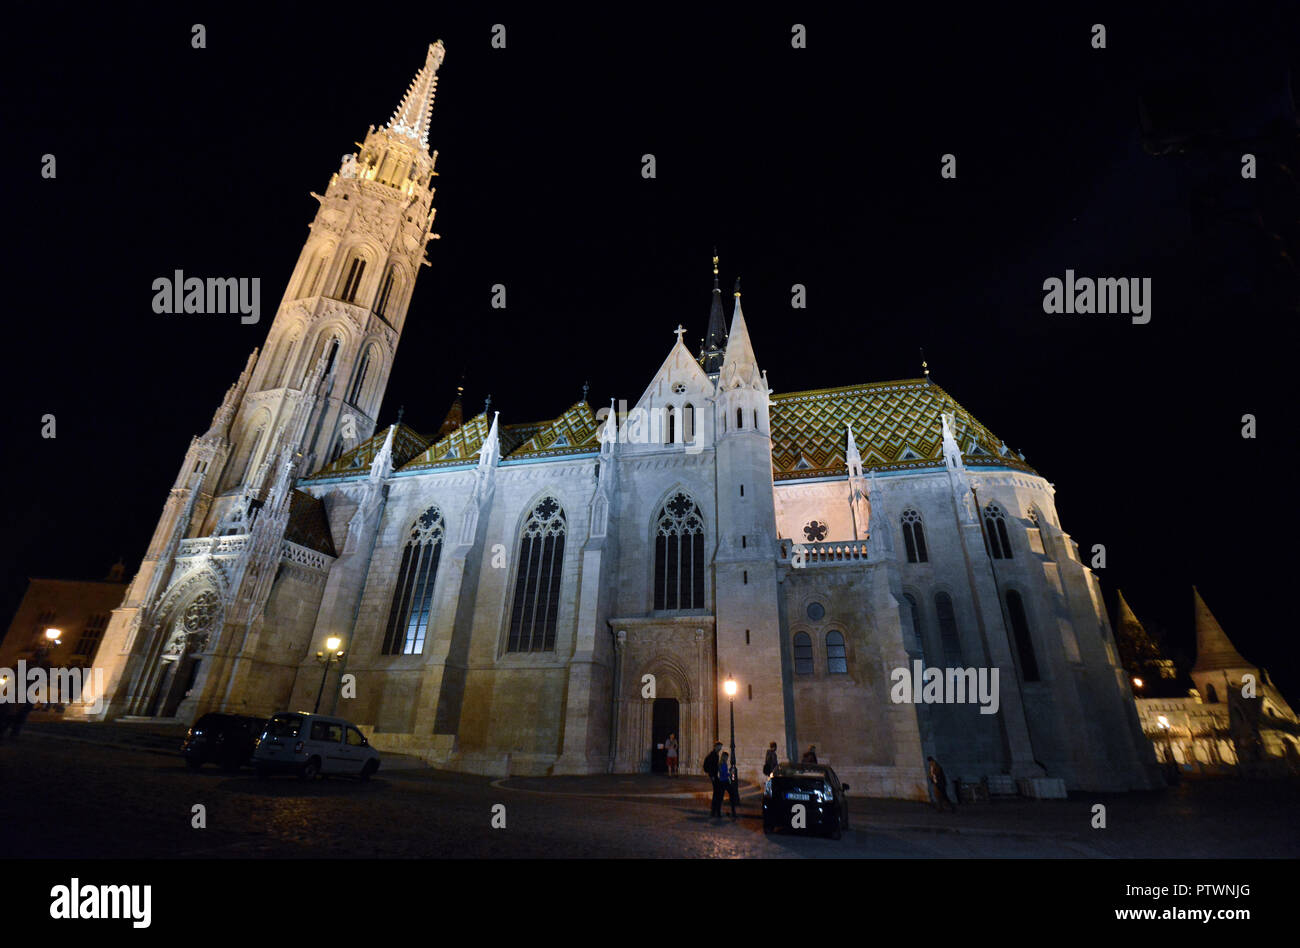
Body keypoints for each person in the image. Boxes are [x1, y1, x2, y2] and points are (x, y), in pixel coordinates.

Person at [703, 741, 723, 816]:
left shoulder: (715, 755)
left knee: (717, 793)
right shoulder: (713, 755)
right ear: (716, 747)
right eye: (719, 747)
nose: (720, 748)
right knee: (717, 794)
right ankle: (715, 811)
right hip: (714, 776)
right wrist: (712, 776)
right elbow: (711, 767)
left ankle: (715, 811)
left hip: (715, 776)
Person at [718, 752, 739, 818]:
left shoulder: (721, 764)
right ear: (725, 757)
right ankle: (733, 811)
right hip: (724, 781)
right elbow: (723, 773)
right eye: (727, 757)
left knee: (721, 797)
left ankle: (719, 812)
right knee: (731, 795)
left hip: (722, 781)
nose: (727, 758)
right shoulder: (723, 764)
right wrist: (729, 774)